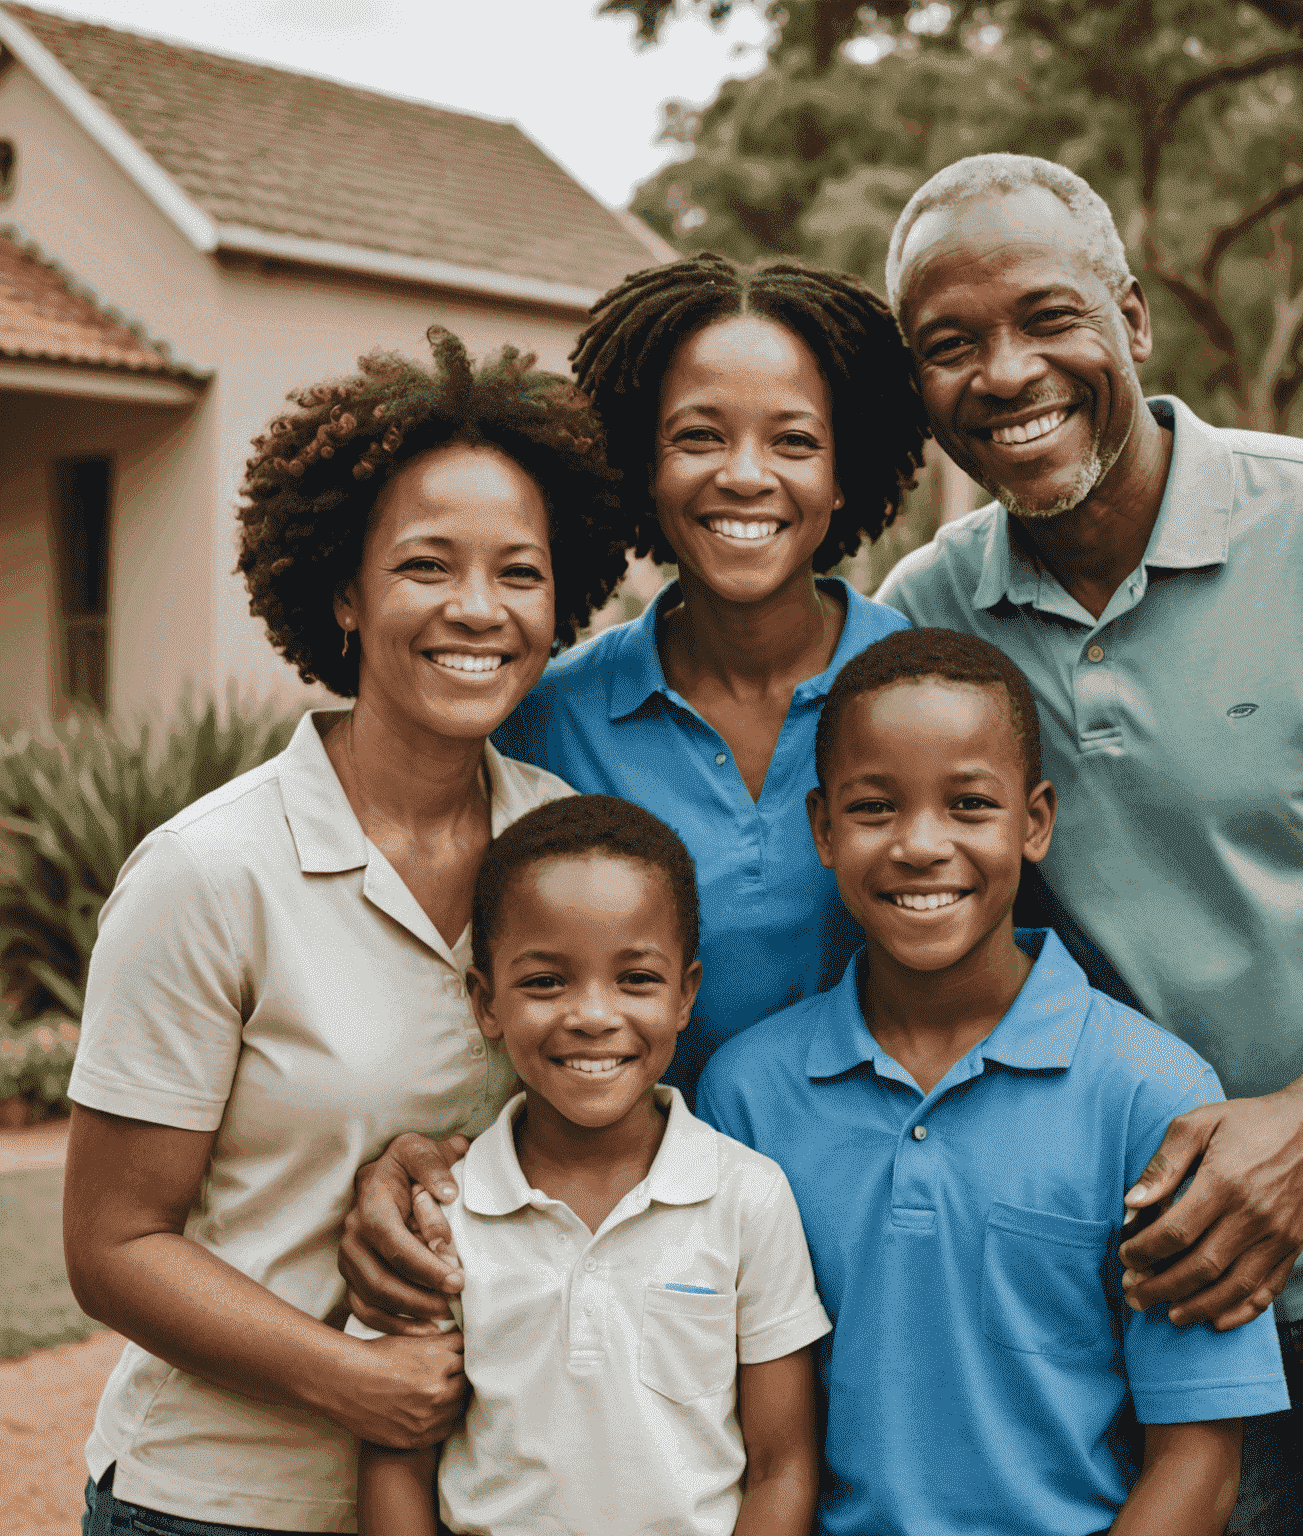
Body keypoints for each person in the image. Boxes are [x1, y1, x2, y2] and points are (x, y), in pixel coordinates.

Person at [874, 153, 1303, 1533]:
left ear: (1133, 321)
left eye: (1047, 318)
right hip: (1171, 1289)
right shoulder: (931, 619)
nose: (1004, 374)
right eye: (950, 346)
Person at [63, 329, 630, 1535]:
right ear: (343, 590)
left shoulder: (571, 852)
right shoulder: (210, 873)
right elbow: (111, 1246)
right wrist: (353, 1380)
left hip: (474, 1498)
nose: (477, 610)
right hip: (216, 1503)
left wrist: (438, 1159)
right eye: (427, 565)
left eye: (519, 573)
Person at [336, 254, 929, 1332]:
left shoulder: (931, 698)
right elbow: (467, 981)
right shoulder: (543, 716)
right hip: (628, 1270)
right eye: (698, 436)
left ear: (847, 475)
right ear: (640, 467)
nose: (745, 475)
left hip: (888, 1240)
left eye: (793, 440)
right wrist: (420, 1155)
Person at [696, 628, 1289, 1536]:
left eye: (969, 804)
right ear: (821, 829)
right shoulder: (745, 1094)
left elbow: (1198, 1466)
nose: (921, 845)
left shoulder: (1152, 1094)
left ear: (1036, 821)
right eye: (874, 808)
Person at [354, 795, 829, 1536]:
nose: (593, 1015)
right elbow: (394, 1461)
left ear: (685, 995)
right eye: (546, 982)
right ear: (486, 1002)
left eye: (635, 979)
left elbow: (782, 1465)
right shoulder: (444, 1213)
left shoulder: (747, 1198)